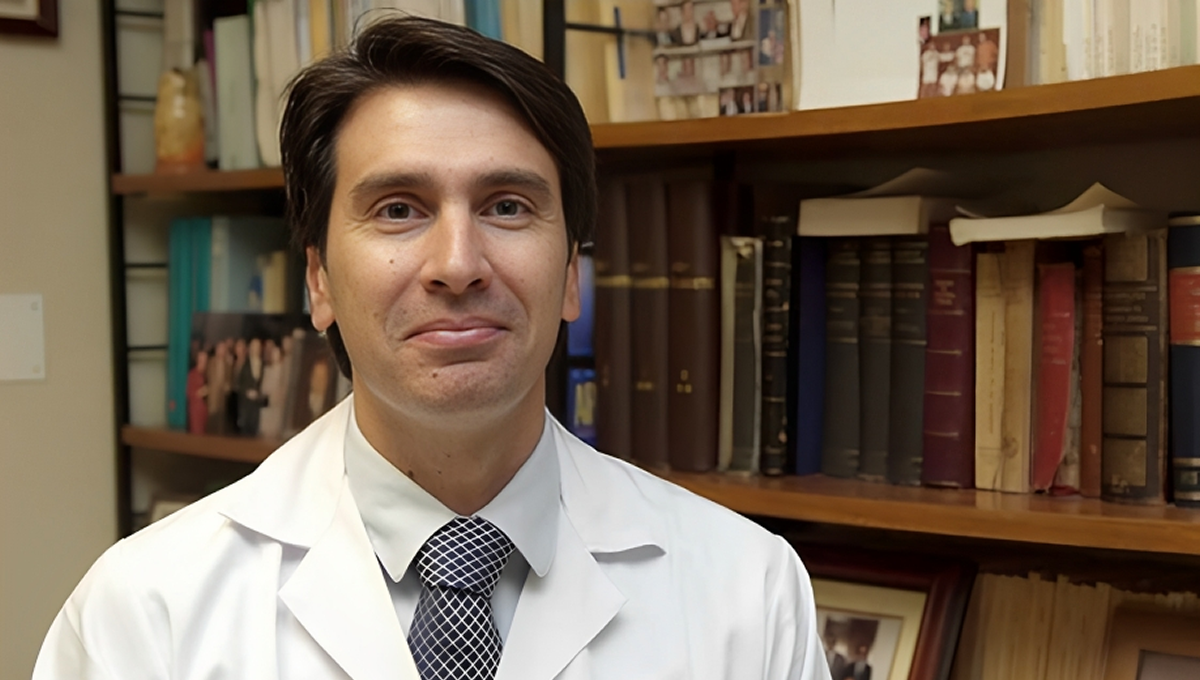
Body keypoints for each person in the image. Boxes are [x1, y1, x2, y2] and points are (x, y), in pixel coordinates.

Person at [32, 15, 829, 680]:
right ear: (318, 280)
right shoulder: (147, 613)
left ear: (571, 277)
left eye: (507, 206)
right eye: (398, 209)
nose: (457, 263)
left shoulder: (746, 593)